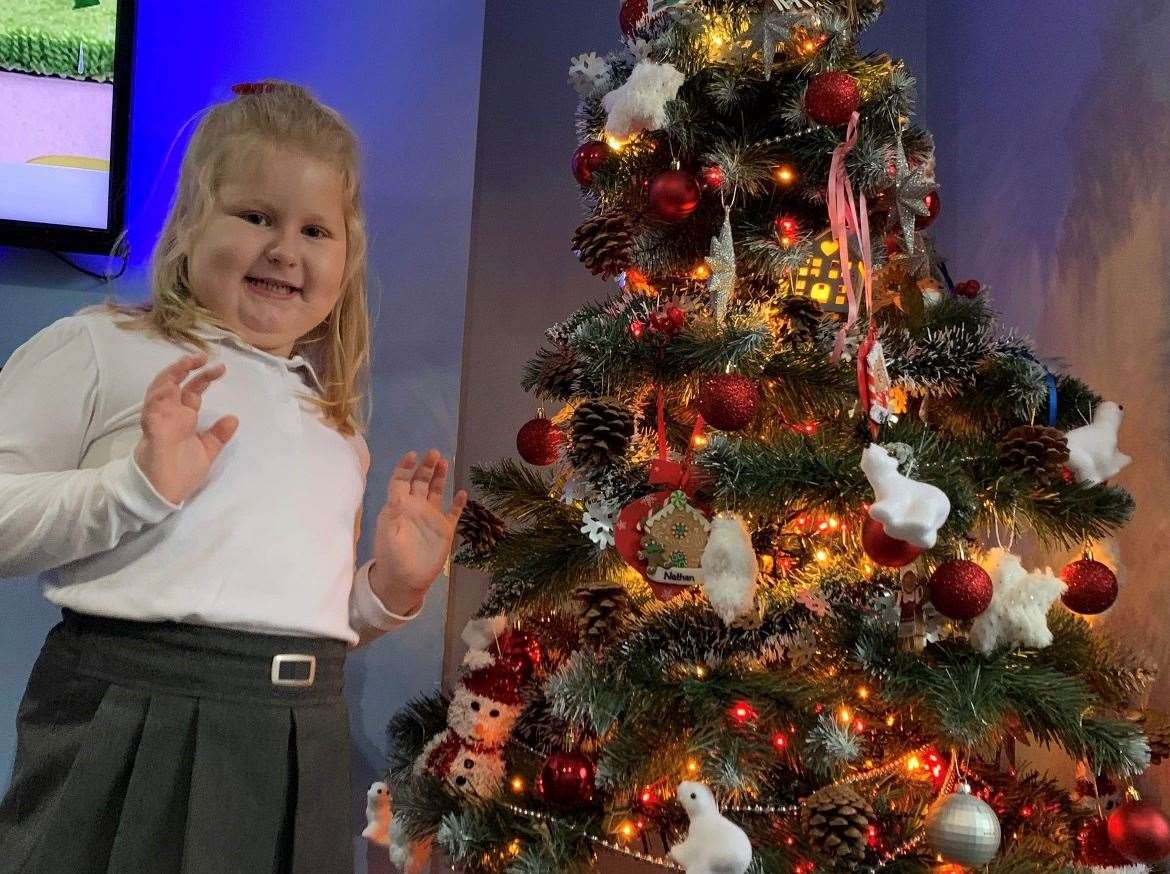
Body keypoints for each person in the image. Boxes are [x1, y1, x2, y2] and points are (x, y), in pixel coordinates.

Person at [0, 80, 467, 873]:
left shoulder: (332, 422)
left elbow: (301, 613)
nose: (286, 249)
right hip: (133, 708)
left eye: (315, 229)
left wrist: (390, 590)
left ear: (346, 261)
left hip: (299, 736)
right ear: (188, 224)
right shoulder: (102, 347)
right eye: (257, 216)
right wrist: (137, 485)